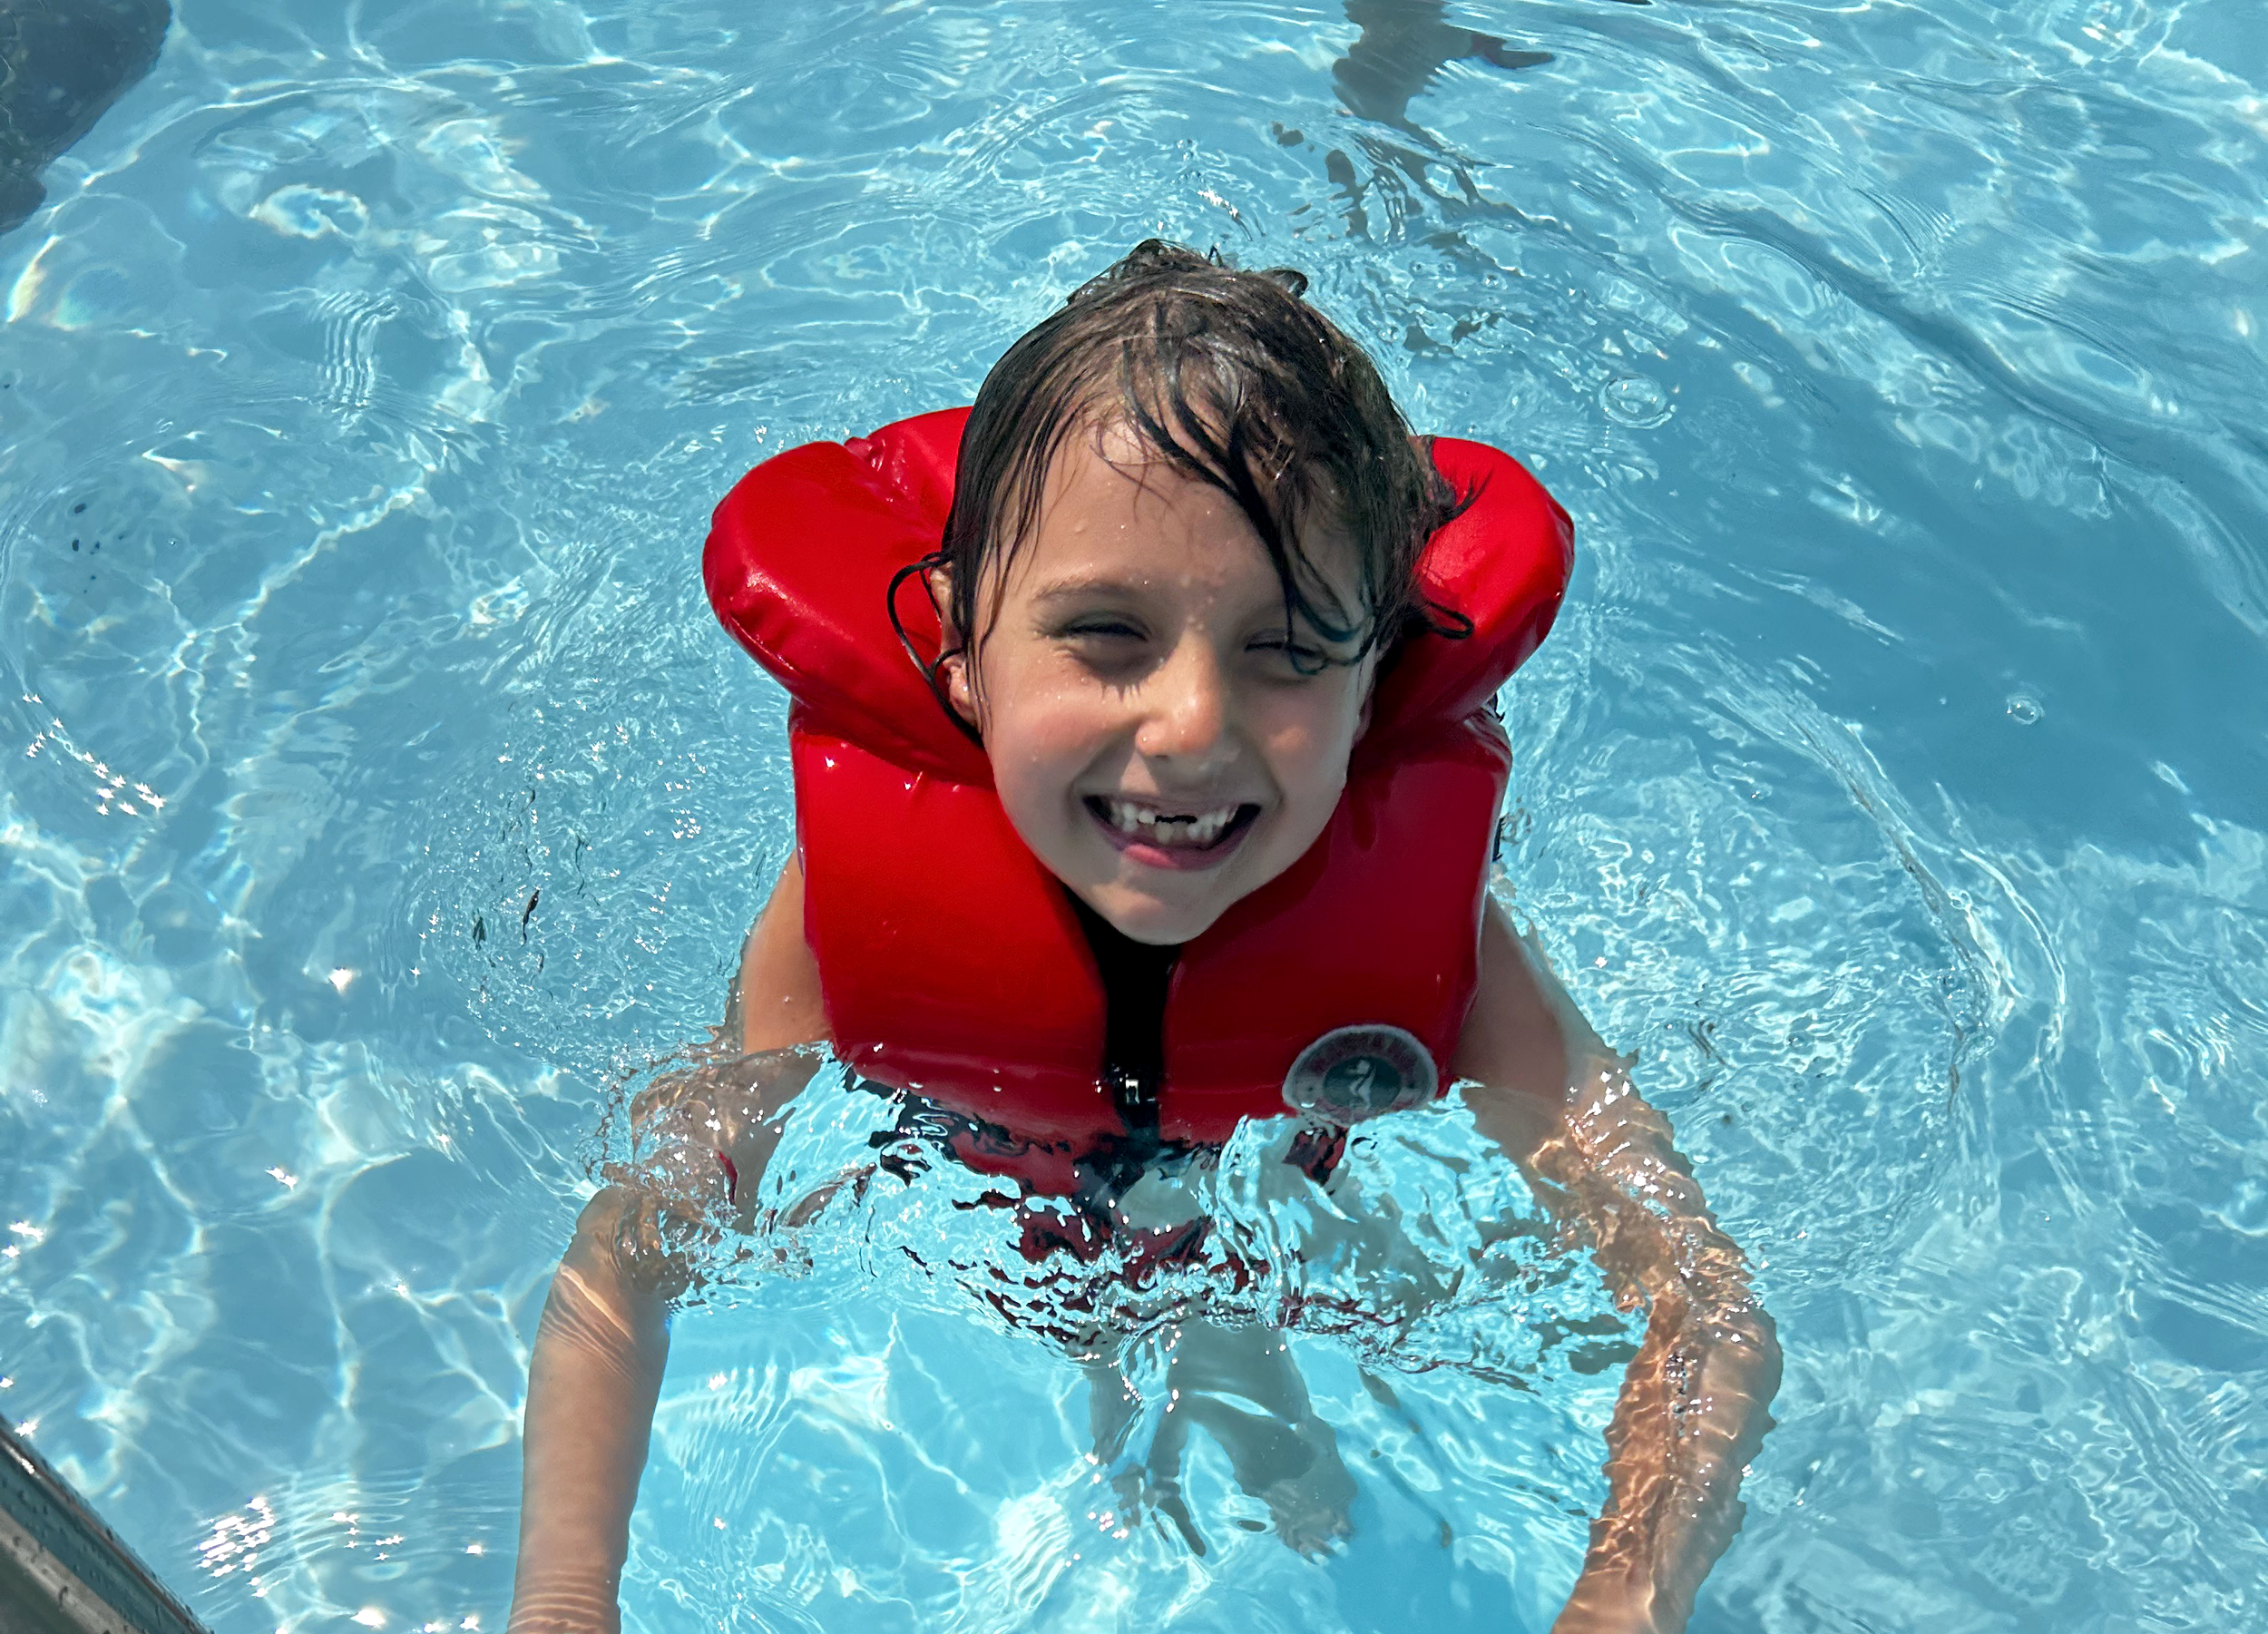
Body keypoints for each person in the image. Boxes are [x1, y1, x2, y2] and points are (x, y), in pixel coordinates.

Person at [506, 240, 1779, 1634]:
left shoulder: (1450, 958)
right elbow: (628, 1252)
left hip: (1252, 1229)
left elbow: (1710, 1317)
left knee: (1225, 1299)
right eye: (1106, 632)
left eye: (1289, 651)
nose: (1190, 729)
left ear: (1379, 683)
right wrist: (565, 1607)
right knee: (1135, 1302)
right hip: (986, 1204)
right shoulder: (837, 924)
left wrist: (1616, 1609)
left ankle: (1247, 1392)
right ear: (956, 647)